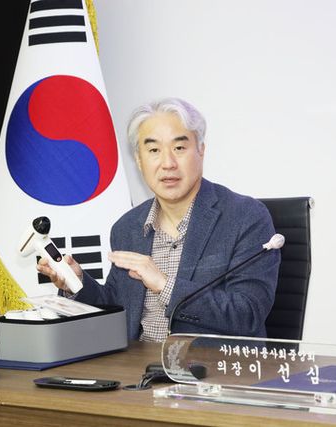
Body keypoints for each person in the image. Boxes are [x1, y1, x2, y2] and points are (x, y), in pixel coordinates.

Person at [37, 98, 280, 342]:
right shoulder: (127, 227)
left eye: (179, 148)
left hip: (209, 363)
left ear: (201, 150)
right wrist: (76, 283)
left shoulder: (245, 217)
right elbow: (119, 307)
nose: (168, 163)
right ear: (138, 159)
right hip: (136, 363)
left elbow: (248, 313)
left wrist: (165, 285)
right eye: (154, 150)